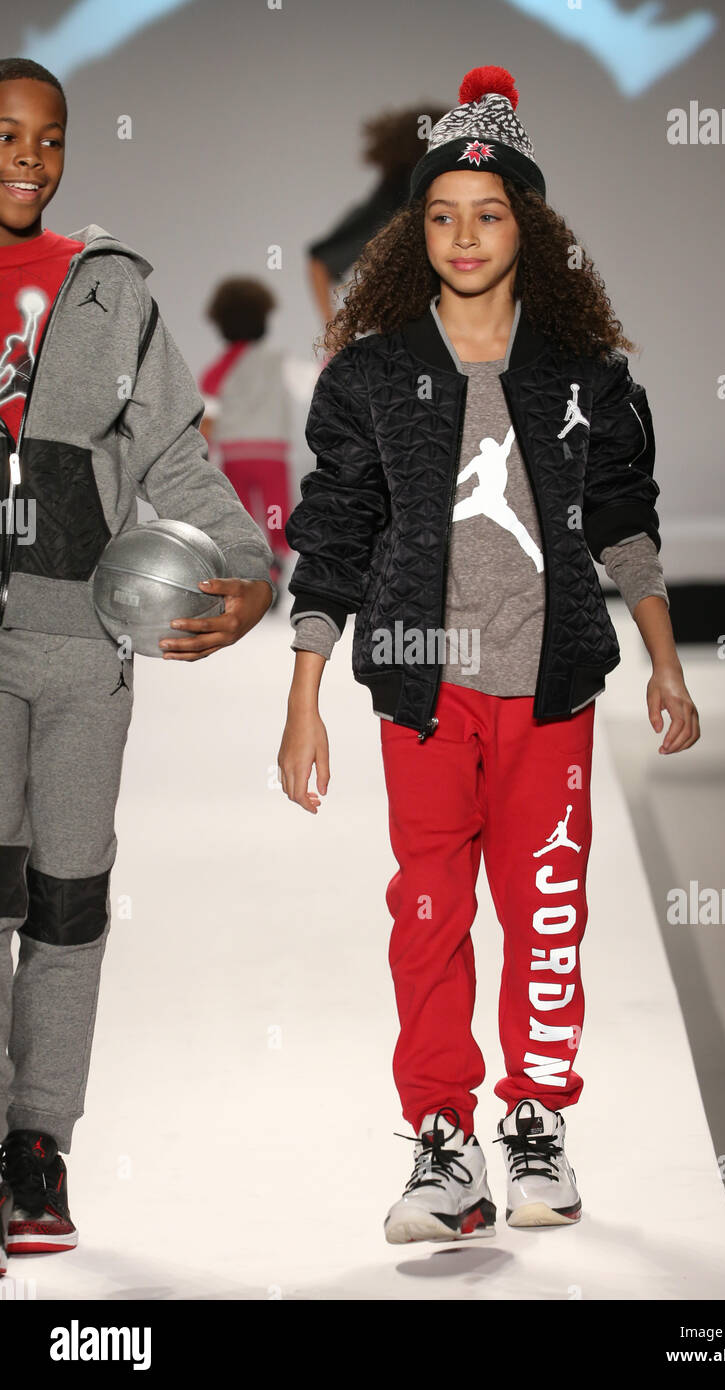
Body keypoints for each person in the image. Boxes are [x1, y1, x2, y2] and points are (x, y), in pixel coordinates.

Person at [278, 65, 700, 1245]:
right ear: (415, 233)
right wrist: (305, 694)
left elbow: (625, 516)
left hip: (551, 683)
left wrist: (662, 660)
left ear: (531, 225)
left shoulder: (587, 378)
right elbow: (334, 534)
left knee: (542, 912)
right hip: (422, 686)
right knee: (426, 915)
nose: (464, 236)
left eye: (490, 212)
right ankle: (440, 1140)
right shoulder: (366, 377)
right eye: (441, 215)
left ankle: (534, 1120)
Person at [0, 57, 274, 1271]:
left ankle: (36, 1143)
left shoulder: (110, 293)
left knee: (67, 903)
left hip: (82, 653)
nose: (31, 158)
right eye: (8, 134)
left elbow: (176, 459)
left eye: (50, 139)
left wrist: (250, 570)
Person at [200, 277, 312, 603]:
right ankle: (276, 561)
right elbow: (315, 381)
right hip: (272, 455)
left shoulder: (217, 370)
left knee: (243, 514)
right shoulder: (280, 361)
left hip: (235, 456)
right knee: (277, 510)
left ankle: (249, 568)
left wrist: (201, 456)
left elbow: (207, 420)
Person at [307, 103, 445, 330]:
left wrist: (332, 336)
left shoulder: (396, 195)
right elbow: (320, 261)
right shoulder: (398, 195)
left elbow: (320, 262)